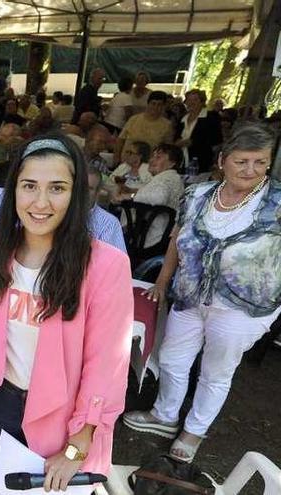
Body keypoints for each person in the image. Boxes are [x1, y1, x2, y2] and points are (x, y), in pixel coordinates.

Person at [0, 134, 133, 492]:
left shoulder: (105, 265)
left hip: (66, 417)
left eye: (57, 188)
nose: (41, 202)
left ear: (76, 196)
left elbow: (106, 366)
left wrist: (78, 444)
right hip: (4, 402)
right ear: (13, 192)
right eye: (29, 186)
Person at [123, 123, 281, 463]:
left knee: (216, 371)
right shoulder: (198, 195)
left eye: (260, 162)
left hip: (243, 306)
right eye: (242, 161)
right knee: (173, 359)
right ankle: (165, 416)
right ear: (223, 160)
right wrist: (163, 282)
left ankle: (193, 432)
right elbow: (176, 241)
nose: (251, 170)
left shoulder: (277, 203)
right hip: (190, 295)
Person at [114, 144, 185, 248]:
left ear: (172, 163)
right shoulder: (169, 178)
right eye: (152, 156)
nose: (151, 160)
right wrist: (132, 192)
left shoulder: (169, 178)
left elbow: (159, 197)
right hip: (153, 235)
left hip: (150, 238)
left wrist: (130, 196)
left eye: (158, 157)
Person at [115, 91, 174, 163]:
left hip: (148, 165)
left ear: (164, 106)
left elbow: (167, 148)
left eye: (159, 105)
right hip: (126, 162)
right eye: (153, 103)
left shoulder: (167, 125)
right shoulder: (134, 119)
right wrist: (116, 157)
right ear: (148, 104)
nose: (155, 107)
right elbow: (121, 139)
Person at [175, 89, 222, 174]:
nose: (191, 103)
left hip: (200, 161)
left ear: (202, 102)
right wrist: (178, 142)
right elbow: (176, 136)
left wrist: (193, 142)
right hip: (181, 160)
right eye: (189, 100)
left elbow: (217, 140)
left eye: (195, 100)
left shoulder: (211, 118)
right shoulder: (182, 119)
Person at [86, 166, 127, 253]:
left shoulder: (109, 224)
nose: (82, 191)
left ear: (97, 193)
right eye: (79, 186)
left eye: (89, 189)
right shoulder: (59, 214)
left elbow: (117, 263)